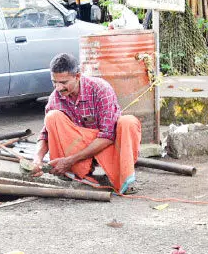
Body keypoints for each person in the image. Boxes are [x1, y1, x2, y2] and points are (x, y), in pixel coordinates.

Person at [33, 53, 142, 194]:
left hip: (107, 147)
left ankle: (125, 178)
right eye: (54, 82)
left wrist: (70, 160)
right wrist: (37, 160)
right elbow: (45, 135)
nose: (58, 88)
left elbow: (108, 135)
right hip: (81, 150)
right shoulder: (55, 98)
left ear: (77, 76)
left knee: (128, 122)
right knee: (52, 117)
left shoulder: (100, 89)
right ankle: (75, 174)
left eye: (64, 82)